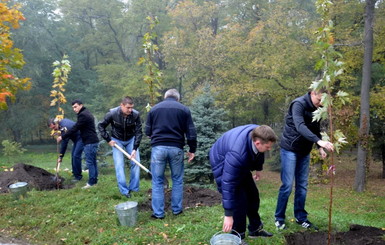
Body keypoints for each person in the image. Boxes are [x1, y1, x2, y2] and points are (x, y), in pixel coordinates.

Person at [274, 89, 334, 230]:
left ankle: (301, 218)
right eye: (319, 100)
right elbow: (300, 126)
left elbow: (315, 128)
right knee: (287, 186)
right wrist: (320, 142)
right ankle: (279, 218)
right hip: (290, 149)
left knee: (302, 187)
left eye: (323, 102)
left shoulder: (317, 109)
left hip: (304, 151)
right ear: (313, 93)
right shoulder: (298, 104)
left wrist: (319, 147)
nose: (321, 104)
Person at [209, 124, 278, 244]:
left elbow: (259, 153)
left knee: (253, 195)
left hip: (238, 159)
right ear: (257, 143)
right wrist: (228, 215)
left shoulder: (260, 133)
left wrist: (258, 169)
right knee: (240, 201)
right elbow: (228, 184)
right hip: (221, 161)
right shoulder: (237, 155)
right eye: (268, 147)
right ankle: (238, 236)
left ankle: (255, 229)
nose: (269, 149)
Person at [145, 89, 197, 219]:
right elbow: (191, 132)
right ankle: (177, 210)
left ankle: (158, 214)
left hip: (158, 148)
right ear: (177, 99)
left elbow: (147, 131)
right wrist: (192, 150)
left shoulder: (154, 109)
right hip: (176, 148)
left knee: (157, 181)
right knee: (177, 180)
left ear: (165, 97)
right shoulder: (184, 110)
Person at [98, 96, 143, 198]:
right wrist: (108, 140)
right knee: (119, 165)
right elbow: (101, 126)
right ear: (121, 105)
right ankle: (124, 191)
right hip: (117, 141)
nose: (130, 110)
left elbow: (139, 132)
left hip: (131, 140)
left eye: (132, 107)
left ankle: (134, 188)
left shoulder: (135, 115)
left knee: (136, 162)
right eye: (128, 107)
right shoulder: (112, 113)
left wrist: (135, 148)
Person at [57, 99, 99, 189]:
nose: (74, 109)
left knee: (90, 162)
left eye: (75, 107)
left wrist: (62, 136)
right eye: (73, 107)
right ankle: (94, 181)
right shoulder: (86, 112)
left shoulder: (83, 115)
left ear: (81, 105)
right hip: (93, 140)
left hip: (89, 141)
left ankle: (91, 183)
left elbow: (75, 128)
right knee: (93, 162)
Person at [48, 118, 84, 182]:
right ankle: (75, 174)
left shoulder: (65, 127)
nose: (54, 129)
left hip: (82, 138)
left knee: (76, 156)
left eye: (54, 127)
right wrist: (61, 135)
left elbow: (64, 143)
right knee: (73, 155)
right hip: (77, 140)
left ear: (56, 123)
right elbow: (64, 133)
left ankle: (78, 177)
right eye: (52, 128)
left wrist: (61, 156)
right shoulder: (61, 123)